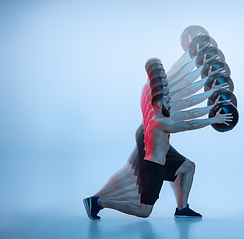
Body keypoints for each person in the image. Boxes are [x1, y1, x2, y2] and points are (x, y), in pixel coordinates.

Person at [83, 57, 231, 219]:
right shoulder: (160, 120)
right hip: (153, 166)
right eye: (160, 74)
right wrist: (214, 117)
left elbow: (183, 92)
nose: (169, 100)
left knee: (188, 166)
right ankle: (99, 202)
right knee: (144, 211)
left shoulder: (153, 98)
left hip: (155, 152)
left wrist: (209, 89)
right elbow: (189, 120)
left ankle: (182, 209)